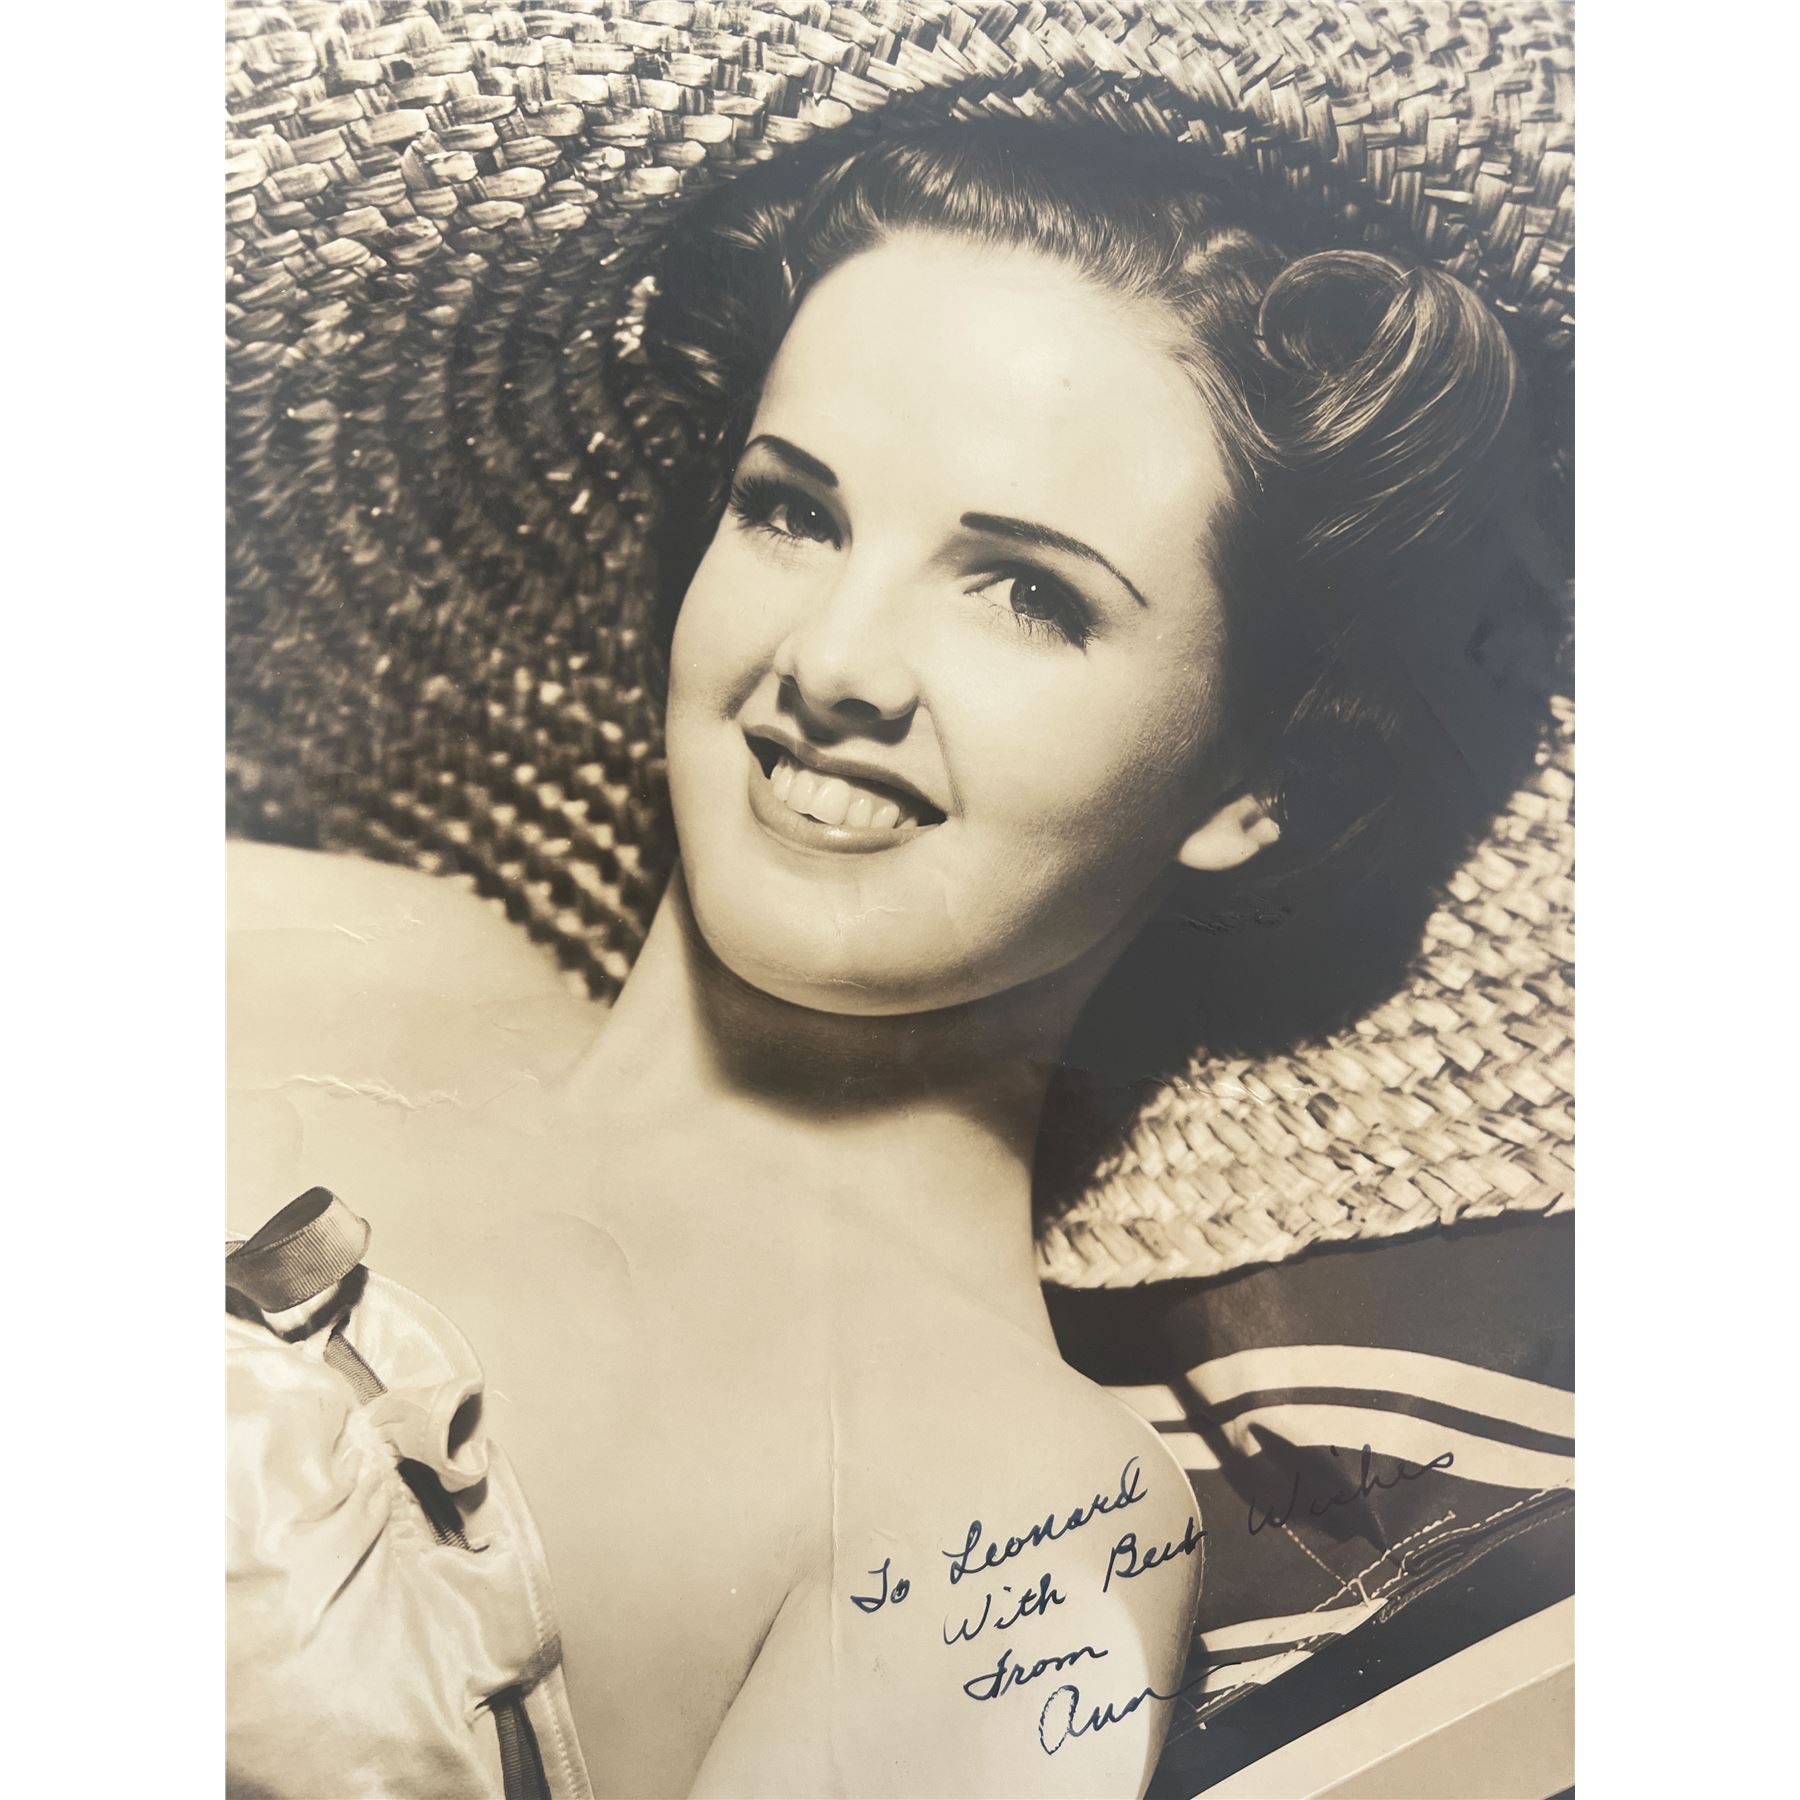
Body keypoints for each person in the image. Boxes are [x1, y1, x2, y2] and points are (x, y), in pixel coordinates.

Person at [227, 121, 1552, 1799]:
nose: (836, 660)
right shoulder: (287, 934)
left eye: (1030, 596)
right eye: (792, 512)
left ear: (1259, 785)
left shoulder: (1023, 1526)